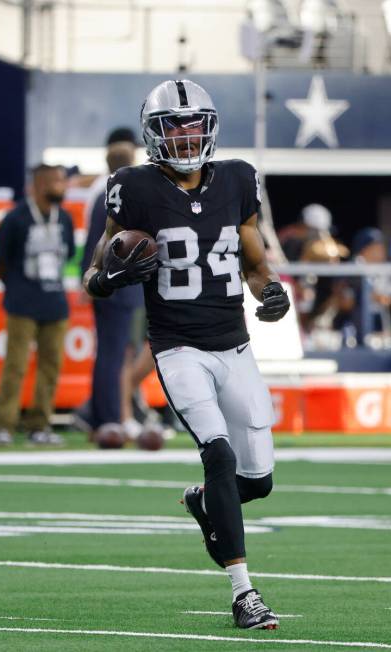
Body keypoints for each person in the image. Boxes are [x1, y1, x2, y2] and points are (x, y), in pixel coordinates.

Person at [83, 79, 290, 630]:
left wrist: (269, 292)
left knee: (258, 481)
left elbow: (254, 260)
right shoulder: (132, 187)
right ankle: (244, 593)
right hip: (177, 346)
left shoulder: (240, 179)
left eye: (192, 124)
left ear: (210, 126)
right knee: (217, 454)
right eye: (173, 127)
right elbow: (95, 270)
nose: (184, 136)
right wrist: (107, 277)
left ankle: (205, 505)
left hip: (236, 344)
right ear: (154, 134)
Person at [0, 164, 75, 446]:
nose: (62, 187)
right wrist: (16, 287)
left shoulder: (64, 218)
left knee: (51, 365)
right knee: (16, 364)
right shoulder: (16, 218)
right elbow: (0, 259)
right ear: (39, 185)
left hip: (55, 302)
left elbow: (69, 253)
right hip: (22, 303)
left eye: (63, 181)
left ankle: (39, 424)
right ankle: (3, 425)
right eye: (57, 182)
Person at [76, 128, 144, 437]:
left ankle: (105, 414)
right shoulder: (116, 190)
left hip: (115, 281)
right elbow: (99, 240)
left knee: (117, 352)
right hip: (119, 282)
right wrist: (92, 277)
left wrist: (89, 277)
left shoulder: (105, 190)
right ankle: (106, 416)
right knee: (115, 352)